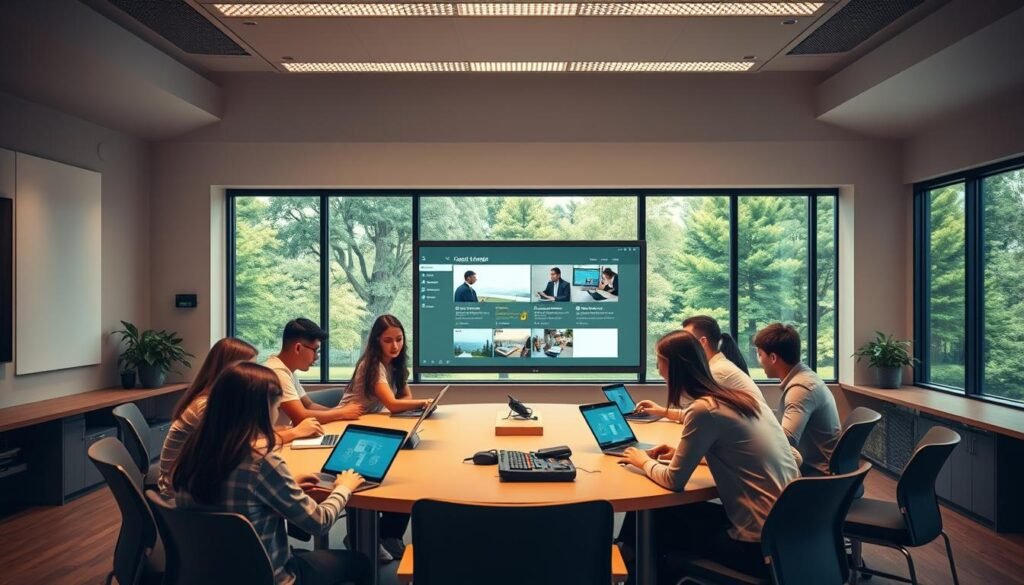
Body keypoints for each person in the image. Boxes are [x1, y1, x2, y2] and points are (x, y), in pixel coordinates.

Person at [620, 331, 799, 583]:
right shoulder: (742, 399)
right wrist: (680, 455)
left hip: (756, 548)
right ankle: (628, 561)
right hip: (789, 535)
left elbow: (674, 481)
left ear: (672, 366)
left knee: (657, 529)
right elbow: (742, 454)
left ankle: (629, 564)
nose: (658, 369)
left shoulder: (705, 410)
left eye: (658, 361)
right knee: (660, 513)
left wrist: (642, 461)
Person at [170, 362, 371, 585]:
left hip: (207, 573)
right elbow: (318, 523)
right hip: (268, 577)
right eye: (276, 408)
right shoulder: (261, 461)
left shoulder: (193, 452)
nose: (277, 416)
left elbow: (231, 495)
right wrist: (344, 487)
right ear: (263, 410)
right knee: (360, 563)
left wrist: (287, 484)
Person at [158, 337, 323, 497]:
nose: (254, 374)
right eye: (249, 367)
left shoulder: (217, 400)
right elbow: (245, 447)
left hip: (200, 483)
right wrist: (295, 433)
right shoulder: (206, 406)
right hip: (182, 494)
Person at [338, 314, 429, 561]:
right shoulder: (372, 364)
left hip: (373, 424)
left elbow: (404, 400)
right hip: (351, 426)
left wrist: (415, 404)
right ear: (377, 341)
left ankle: (388, 535)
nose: (395, 346)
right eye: (388, 340)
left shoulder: (397, 365)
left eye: (399, 340)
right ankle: (364, 536)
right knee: (391, 470)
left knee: (408, 471)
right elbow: (392, 403)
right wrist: (425, 403)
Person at [633, 316, 766, 419]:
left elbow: (699, 415)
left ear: (702, 342)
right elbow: (696, 415)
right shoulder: (717, 365)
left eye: (687, 339)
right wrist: (662, 411)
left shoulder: (716, 372)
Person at [754, 322, 841, 476]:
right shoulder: (805, 377)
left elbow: (785, 441)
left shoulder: (801, 389)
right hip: (817, 468)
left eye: (759, 354)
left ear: (773, 357)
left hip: (815, 475)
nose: (758, 361)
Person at [266, 319, 363, 426]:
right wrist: (341, 413)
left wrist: (341, 413)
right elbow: (300, 417)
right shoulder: (277, 372)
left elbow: (309, 405)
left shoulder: (287, 369)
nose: (316, 357)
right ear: (298, 348)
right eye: (315, 350)